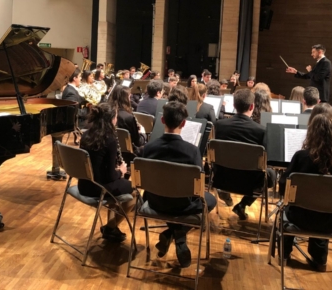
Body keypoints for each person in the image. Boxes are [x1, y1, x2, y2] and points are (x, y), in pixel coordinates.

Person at [143, 101, 217, 268]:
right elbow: (198, 185)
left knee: (173, 201)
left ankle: (172, 232)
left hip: (155, 201)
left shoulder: (149, 147)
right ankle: (179, 234)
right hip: (183, 205)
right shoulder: (192, 151)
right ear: (184, 123)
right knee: (210, 200)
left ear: (162, 120)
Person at [279, 113, 332, 271]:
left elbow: (283, 187)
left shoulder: (302, 157)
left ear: (311, 132)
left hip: (300, 219)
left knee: (291, 208)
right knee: (325, 207)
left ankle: (284, 253)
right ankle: (320, 259)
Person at [214, 89, 276, 220]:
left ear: (234, 106)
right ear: (252, 106)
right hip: (250, 183)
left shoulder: (219, 125)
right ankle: (243, 204)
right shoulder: (261, 131)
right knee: (271, 175)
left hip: (221, 179)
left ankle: (229, 197)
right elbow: (267, 159)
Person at [79, 103, 134, 242]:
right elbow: (110, 176)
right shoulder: (110, 139)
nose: (116, 120)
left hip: (84, 184)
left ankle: (111, 228)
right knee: (135, 193)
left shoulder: (86, 134)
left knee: (118, 187)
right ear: (111, 120)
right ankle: (111, 227)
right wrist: (121, 171)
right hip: (99, 188)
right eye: (115, 117)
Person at [108, 85, 144, 155]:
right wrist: (143, 133)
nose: (130, 100)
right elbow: (138, 142)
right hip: (128, 154)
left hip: (111, 150)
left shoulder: (107, 112)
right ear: (125, 99)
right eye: (129, 97)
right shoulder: (128, 117)